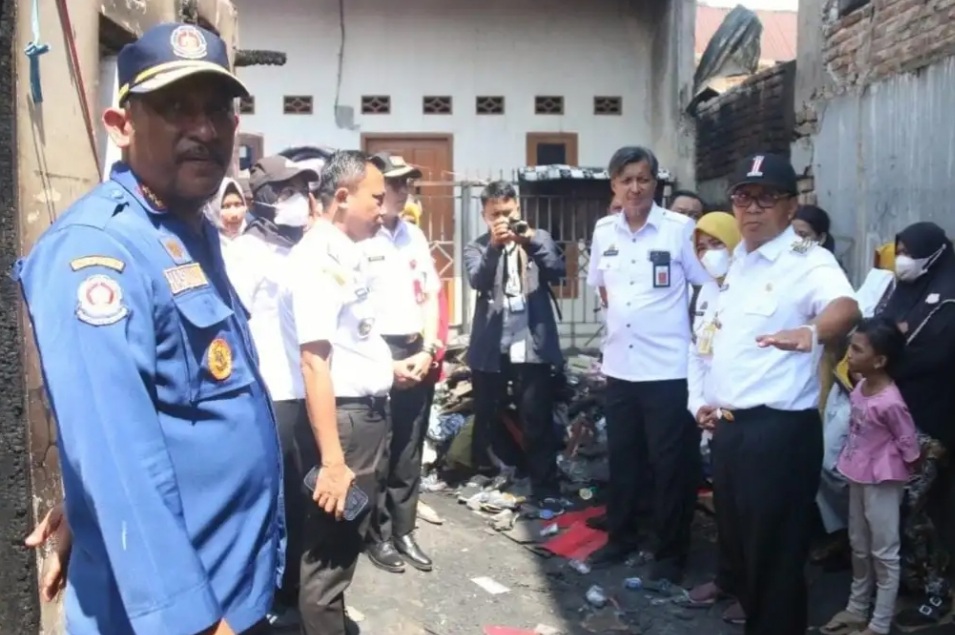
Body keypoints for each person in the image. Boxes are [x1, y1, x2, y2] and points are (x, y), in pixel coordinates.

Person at [13, 23, 283, 635]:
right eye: (176, 108)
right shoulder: (97, 252)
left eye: (218, 109)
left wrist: (84, 504)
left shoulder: (185, 230)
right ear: (121, 125)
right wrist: (191, 622)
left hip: (231, 589)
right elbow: (121, 459)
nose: (205, 129)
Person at [706, 153, 859, 635]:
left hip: (778, 434)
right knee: (740, 551)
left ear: (791, 206)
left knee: (775, 558)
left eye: (766, 197)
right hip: (731, 429)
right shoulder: (739, 260)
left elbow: (845, 306)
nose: (752, 208)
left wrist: (811, 333)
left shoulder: (807, 259)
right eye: (743, 197)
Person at [281, 150, 396, 635]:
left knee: (342, 548)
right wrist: (332, 461)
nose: (384, 208)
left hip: (359, 417)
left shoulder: (342, 254)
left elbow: (347, 344)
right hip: (345, 426)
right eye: (377, 198)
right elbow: (314, 362)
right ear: (343, 196)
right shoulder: (319, 261)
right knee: (329, 559)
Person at [585, 147, 711, 583]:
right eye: (626, 180)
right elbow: (601, 286)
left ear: (655, 183)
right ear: (614, 185)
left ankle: (670, 553)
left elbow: (707, 287)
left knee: (670, 466)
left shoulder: (679, 230)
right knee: (623, 459)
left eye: (643, 179)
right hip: (621, 367)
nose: (635, 188)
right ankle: (621, 538)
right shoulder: (604, 230)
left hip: (668, 370)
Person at [225, 154, 320, 628]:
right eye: (286, 192)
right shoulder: (246, 253)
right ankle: (273, 594)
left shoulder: (302, 248)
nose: (298, 200)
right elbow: (233, 326)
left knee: (305, 495)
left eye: (302, 191)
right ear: (262, 199)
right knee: (277, 498)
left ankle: (299, 589)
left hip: (309, 389)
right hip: (273, 391)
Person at [363, 153, 442, 574]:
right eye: (394, 183)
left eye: (406, 183)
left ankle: (404, 529)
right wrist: (386, 362)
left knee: (410, 447)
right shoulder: (361, 238)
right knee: (380, 447)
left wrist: (428, 349)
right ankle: (376, 534)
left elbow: (429, 295)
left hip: (416, 348)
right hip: (377, 352)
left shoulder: (414, 235)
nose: (401, 191)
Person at [464, 180, 565, 510]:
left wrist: (530, 240)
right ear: (484, 215)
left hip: (530, 346)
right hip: (492, 347)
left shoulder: (537, 237)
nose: (503, 220)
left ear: (518, 208)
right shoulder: (477, 246)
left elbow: (557, 270)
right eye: (495, 215)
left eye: (507, 213)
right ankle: (490, 474)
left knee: (537, 420)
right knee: (488, 416)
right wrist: (495, 247)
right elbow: (477, 279)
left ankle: (545, 485)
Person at [878, 222, 955, 627]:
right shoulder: (901, 289)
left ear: (936, 254)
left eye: (911, 251)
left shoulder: (949, 296)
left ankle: (938, 594)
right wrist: (892, 341)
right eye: (901, 249)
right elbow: (874, 331)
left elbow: (936, 353)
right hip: (892, 414)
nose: (903, 259)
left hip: (932, 418)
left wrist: (889, 350)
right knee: (896, 506)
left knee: (922, 508)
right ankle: (911, 580)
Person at [822, 317, 919, 635]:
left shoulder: (890, 402)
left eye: (857, 349)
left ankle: (879, 623)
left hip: (883, 480)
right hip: (858, 473)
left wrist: (910, 466)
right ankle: (857, 608)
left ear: (879, 361)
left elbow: (907, 440)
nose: (849, 354)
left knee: (884, 551)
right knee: (859, 544)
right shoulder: (862, 387)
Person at [683, 211, 746, 624]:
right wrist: (697, 405)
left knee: (753, 511)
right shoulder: (705, 291)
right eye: (701, 247)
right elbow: (697, 352)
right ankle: (727, 578)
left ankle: (755, 591)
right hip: (714, 417)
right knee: (726, 505)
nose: (709, 254)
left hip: (750, 415)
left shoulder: (749, 287)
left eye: (717, 244)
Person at [205, 176, 248, 250]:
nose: (234, 215)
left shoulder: (255, 242)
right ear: (213, 209)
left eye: (238, 204)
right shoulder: (207, 247)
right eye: (226, 206)